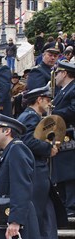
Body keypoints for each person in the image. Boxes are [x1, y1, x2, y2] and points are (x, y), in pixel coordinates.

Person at [17, 86, 69, 239]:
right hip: (36, 171)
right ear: (39, 100)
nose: (49, 103)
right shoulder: (30, 117)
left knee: (47, 214)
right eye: (47, 99)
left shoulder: (29, 116)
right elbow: (28, 141)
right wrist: (49, 149)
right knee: (41, 214)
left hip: (38, 172)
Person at [51, 61, 75, 217]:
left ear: (64, 73)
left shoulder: (73, 89)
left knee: (69, 172)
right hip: (61, 135)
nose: (56, 76)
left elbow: (73, 109)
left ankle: (71, 205)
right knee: (61, 172)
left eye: (57, 73)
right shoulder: (62, 90)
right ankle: (66, 203)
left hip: (70, 135)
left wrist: (55, 113)